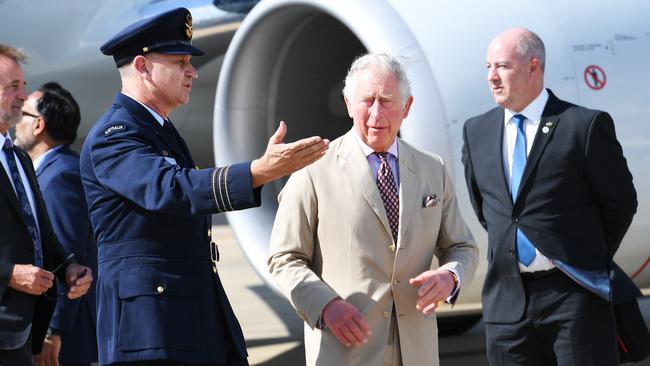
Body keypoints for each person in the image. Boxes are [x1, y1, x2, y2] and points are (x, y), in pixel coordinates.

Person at [79, 7, 329, 366]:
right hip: (150, 328)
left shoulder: (158, 130)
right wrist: (258, 172)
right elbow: (172, 189)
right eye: (180, 61)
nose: (192, 71)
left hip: (183, 315)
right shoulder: (114, 135)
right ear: (142, 66)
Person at [268, 53, 479, 366]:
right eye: (367, 100)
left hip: (417, 353)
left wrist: (450, 277)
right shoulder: (311, 170)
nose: (376, 113)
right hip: (344, 351)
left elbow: (462, 247)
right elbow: (284, 258)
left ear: (406, 108)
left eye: (387, 100)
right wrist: (325, 306)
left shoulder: (431, 168)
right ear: (348, 103)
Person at [461, 28, 638, 365]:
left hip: (574, 297)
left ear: (533, 67)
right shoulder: (476, 131)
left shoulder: (582, 126)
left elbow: (620, 203)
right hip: (507, 304)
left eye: (503, 66)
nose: (492, 77)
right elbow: (488, 209)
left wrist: (580, 251)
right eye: (487, 67)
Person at [0, 45, 93, 366]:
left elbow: (42, 238)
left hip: (25, 335)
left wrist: (69, 267)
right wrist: (7, 274)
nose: (22, 96)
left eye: (23, 86)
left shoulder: (20, 160)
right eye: (13, 87)